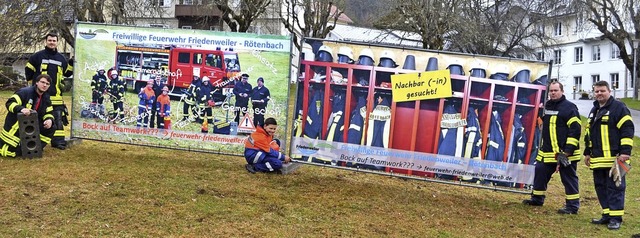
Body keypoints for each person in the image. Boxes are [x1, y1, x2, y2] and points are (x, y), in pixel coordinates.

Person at [522, 81, 582, 215]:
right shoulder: (547, 106)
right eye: (551, 91)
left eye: (556, 90)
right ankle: (537, 198)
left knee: (568, 178)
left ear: (562, 91)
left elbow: (575, 130)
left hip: (565, 153)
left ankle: (572, 206)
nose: (553, 93)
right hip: (548, 152)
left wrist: (567, 151)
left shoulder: (570, 108)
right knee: (540, 171)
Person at [584, 80, 634, 230]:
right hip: (598, 159)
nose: (599, 93)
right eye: (597, 91)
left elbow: (627, 130)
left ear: (609, 91)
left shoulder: (619, 108)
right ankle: (606, 214)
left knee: (615, 188)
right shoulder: (594, 109)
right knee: (601, 187)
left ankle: (616, 218)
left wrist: (625, 153)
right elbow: (588, 133)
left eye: (602, 91)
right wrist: (587, 152)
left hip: (615, 159)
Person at [24, 32, 73, 150]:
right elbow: (28, 70)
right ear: (46, 41)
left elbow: (67, 73)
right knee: (36, 117)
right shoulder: (37, 56)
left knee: (57, 118)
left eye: (54, 40)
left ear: (57, 42)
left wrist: (71, 63)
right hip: (39, 95)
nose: (52, 42)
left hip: (55, 96)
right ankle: (33, 141)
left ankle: (58, 142)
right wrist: (33, 85)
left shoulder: (61, 58)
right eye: (50, 40)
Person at [0, 74, 55, 157]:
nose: (44, 85)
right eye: (42, 82)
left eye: (47, 84)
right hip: (16, 125)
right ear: (36, 82)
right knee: (8, 152)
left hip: (32, 125)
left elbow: (49, 112)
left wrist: (49, 120)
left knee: (51, 128)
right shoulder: (25, 92)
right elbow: (10, 103)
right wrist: (21, 109)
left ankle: (36, 147)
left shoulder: (46, 97)